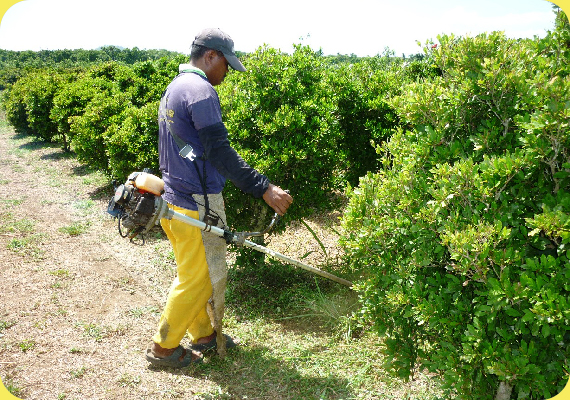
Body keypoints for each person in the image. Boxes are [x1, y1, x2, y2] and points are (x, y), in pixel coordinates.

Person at [145, 28, 293, 368]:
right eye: (226, 65)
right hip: (195, 201)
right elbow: (220, 152)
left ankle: (204, 335)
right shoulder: (201, 92)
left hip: (174, 195)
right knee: (199, 277)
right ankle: (163, 348)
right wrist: (264, 187)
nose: (227, 73)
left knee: (192, 270)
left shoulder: (174, 88)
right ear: (210, 56)